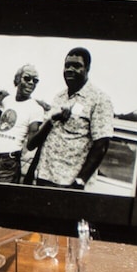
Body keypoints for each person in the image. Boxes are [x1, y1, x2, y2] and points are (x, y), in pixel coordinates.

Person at [33, 48, 113, 189]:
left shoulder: (99, 99)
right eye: (67, 65)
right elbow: (48, 137)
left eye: (76, 66)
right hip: (43, 177)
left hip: (67, 183)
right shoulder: (59, 97)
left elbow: (102, 144)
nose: (70, 69)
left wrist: (80, 181)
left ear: (87, 69)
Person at [0, 65, 52, 183]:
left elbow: (31, 143)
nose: (31, 83)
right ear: (18, 79)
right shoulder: (6, 100)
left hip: (8, 164)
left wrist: (48, 123)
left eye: (35, 80)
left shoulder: (35, 109)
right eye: (27, 78)